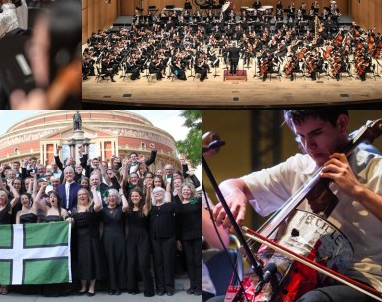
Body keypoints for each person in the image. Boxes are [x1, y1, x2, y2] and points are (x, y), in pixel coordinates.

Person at [212, 109, 382, 302]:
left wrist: (357, 190)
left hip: (359, 282)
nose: (308, 145)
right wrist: (235, 193)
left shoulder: (376, 170)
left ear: (342, 124)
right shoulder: (299, 167)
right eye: (300, 136)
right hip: (294, 278)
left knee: (314, 300)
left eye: (316, 133)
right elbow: (231, 184)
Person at [70, 186, 105, 296]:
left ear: (88, 196)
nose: (81, 196)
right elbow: (73, 224)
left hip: (92, 238)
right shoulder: (75, 210)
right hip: (79, 239)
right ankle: (83, 286)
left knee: (92, 261)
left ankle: (91, 287)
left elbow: (99, 205)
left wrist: (94, 190)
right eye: (79, 195)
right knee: (82, 263)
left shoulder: (92, 207)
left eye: (84, 194)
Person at [149, 185, 179, 296]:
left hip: (169, 238)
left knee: (168, 263)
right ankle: (160, 288)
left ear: (164, 194)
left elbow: (179, 209)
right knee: (158, 264)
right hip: (155, 239)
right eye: (155, 193)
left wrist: (175, 196)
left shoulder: (170, 205)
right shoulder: (151, 208)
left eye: (160, 192)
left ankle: (169, 288)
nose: (158, 194)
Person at [126, 187, 155, 297]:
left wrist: (147, 189)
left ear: (140, 197)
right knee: (131, 263)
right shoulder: (128, 209)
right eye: (132, 196)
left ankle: (149, 290)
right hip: (131, 238)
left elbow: (148, 200)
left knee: (143, 264)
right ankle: (133, 288)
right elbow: (127, 226)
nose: (134, 198)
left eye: (136, 196)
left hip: (143, 237)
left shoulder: (144, 208)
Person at [101, 188, 128, 295]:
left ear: (117, 198)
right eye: (109, 196)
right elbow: (101, 227)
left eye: (113, 196)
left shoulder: (121, 209)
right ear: (106, 198)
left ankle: (119, 286)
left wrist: (121, 193)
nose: (111, 198)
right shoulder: (103, 210)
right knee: (109, 262)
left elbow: (126, 206)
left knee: (120, 262)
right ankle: (111, 286)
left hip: (120, 238)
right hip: (107, 239)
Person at [177, 182, 202, 296]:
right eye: (184, 190)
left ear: (191, 191)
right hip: (185, 236)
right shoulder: (179, 205)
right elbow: (177, 223)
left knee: (198, 261)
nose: (186, 192)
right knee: (190, 262)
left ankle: (200, 286)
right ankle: (193, 285)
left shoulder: (197, 201)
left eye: (188, 190)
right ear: (181, 193)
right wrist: (178, 240)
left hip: (197, 234)